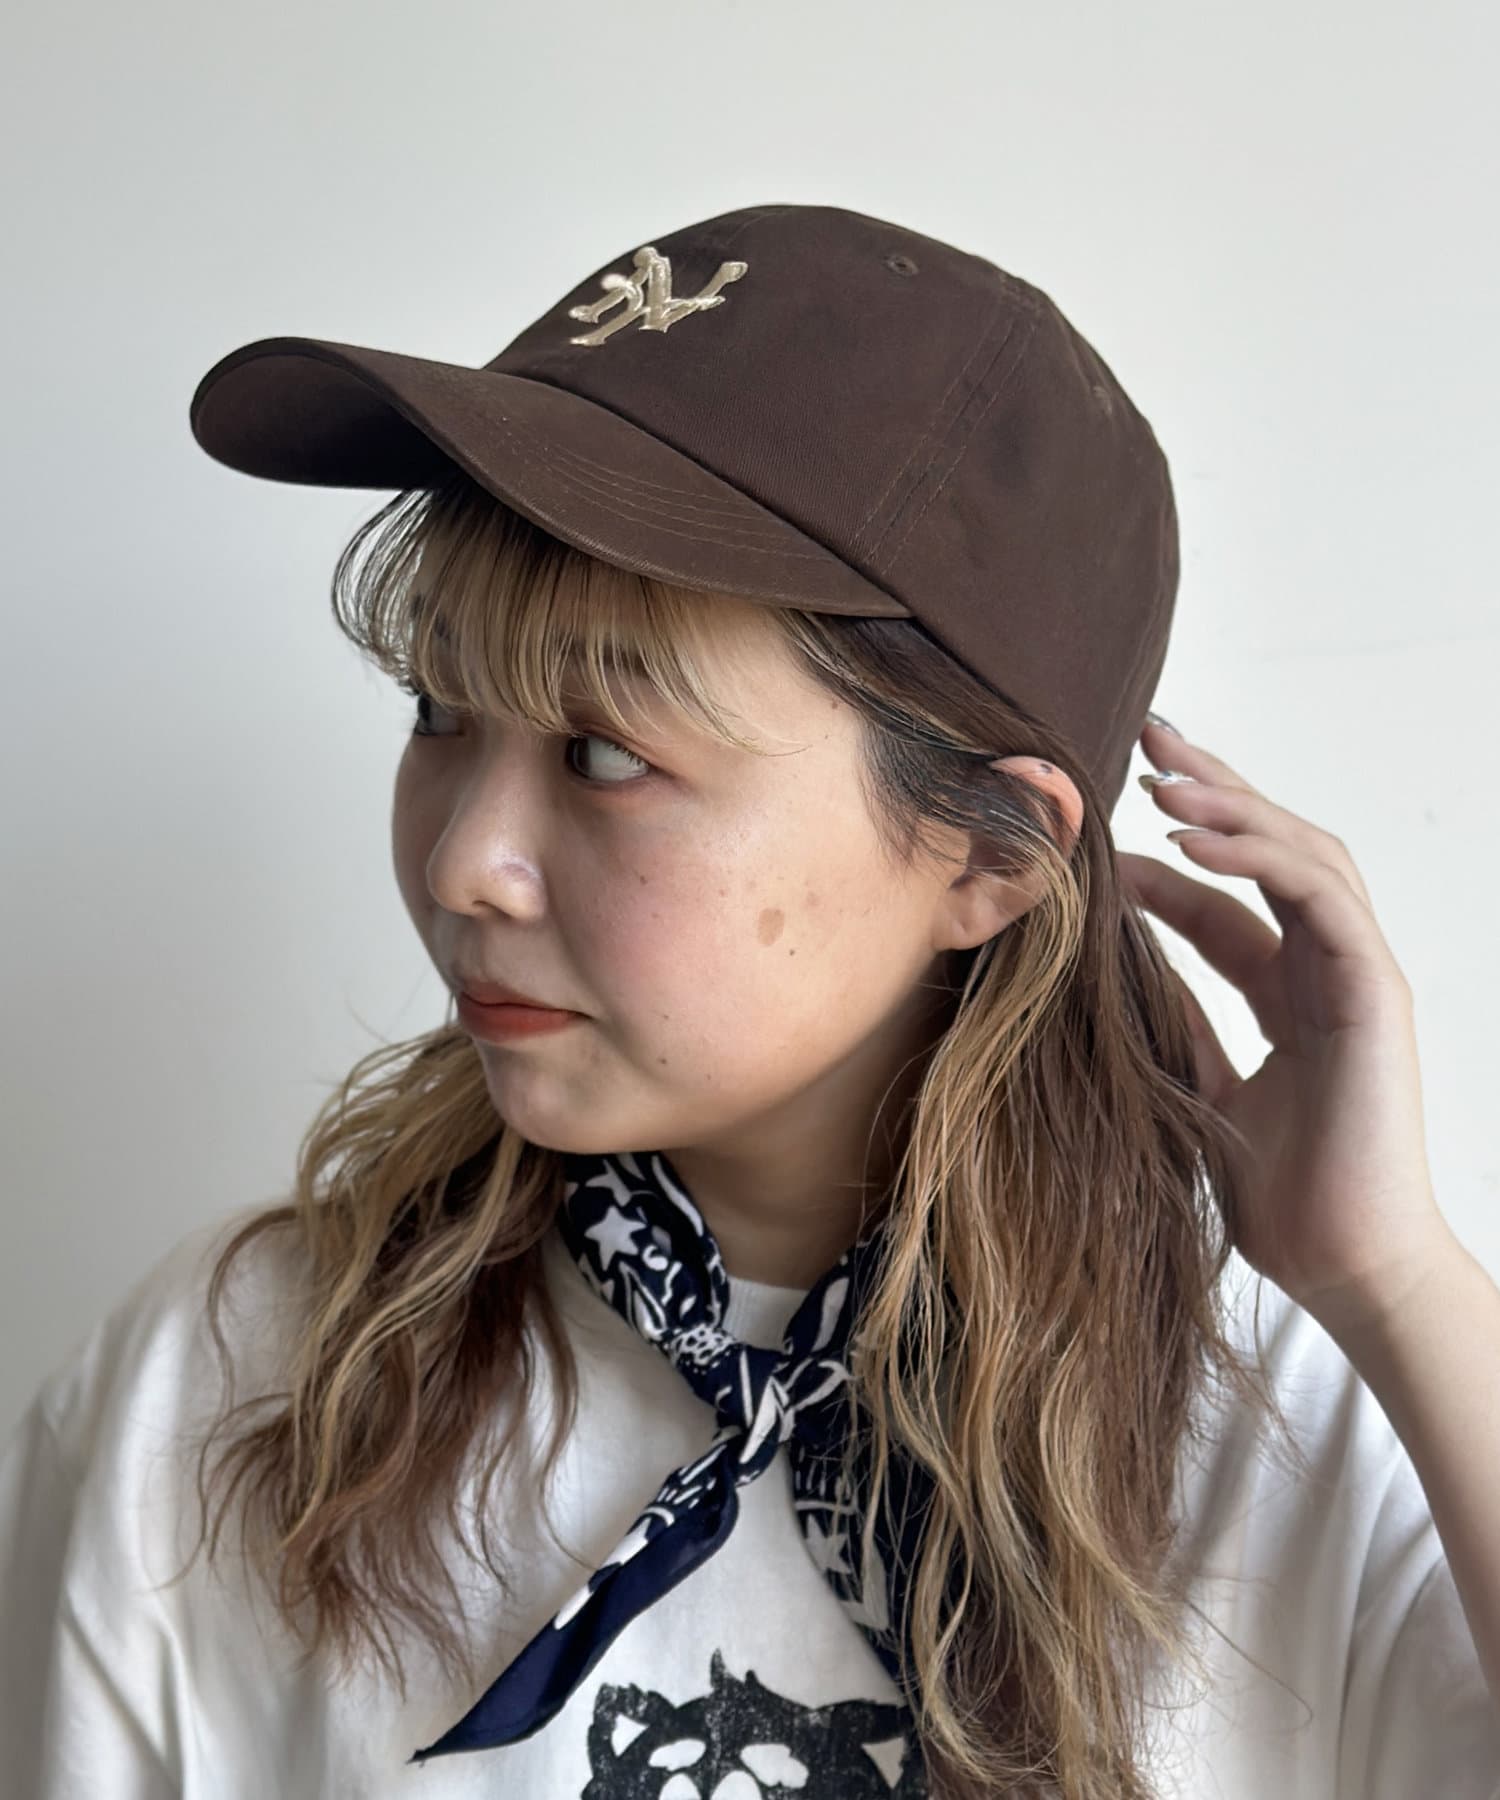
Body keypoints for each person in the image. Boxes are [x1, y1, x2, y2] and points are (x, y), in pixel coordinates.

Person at [2, 203, 1496, 1799]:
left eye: (605, 753)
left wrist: (1392, 1281)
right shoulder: (227, 1394)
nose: (462, 866)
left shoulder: (1309, 1430)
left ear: (989, 853)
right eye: (439, 708)